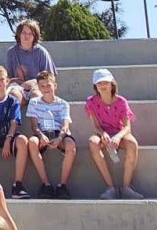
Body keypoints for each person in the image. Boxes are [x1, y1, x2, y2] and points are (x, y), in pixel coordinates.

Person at [85, 67, 144, 200]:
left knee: (132, 143)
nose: (103, 85)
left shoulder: (121, 101)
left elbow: (127, 127)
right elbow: (95, 127)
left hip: (119, 132)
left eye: (105, 82)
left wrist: (117, 137)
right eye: (99, 83)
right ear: (95, 86)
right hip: (103, 134)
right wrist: (103, 134)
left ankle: (127, 187)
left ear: (112, 83)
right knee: (93, 142)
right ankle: (110, 187)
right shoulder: (91, 102)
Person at [25, 69, 77, 198]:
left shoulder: (63, 104)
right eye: (42, 86)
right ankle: (46, 184)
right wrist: (41, 136)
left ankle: (62, 185)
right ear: (38, 88)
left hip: (59, 133)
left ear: (55, 85)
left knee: (70, 145)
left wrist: (59, 138)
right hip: (42, 132)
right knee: (32, 142)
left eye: (48, 85)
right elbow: (34, 126)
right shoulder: (34, 102)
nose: (46, 88)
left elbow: (65, 125)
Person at [5, 19, 56, 104]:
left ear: (34, 36)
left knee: (36, 96)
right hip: (18, 87)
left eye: (30, 34)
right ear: (19, 34)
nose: (27, 36)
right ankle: (14, 113)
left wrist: (35, 81)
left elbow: (50, 77)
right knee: (13, 96)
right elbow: (7, 78)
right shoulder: (11, 53)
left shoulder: (41, 52)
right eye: (24, 33)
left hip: (37, 86)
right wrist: (18, 82)